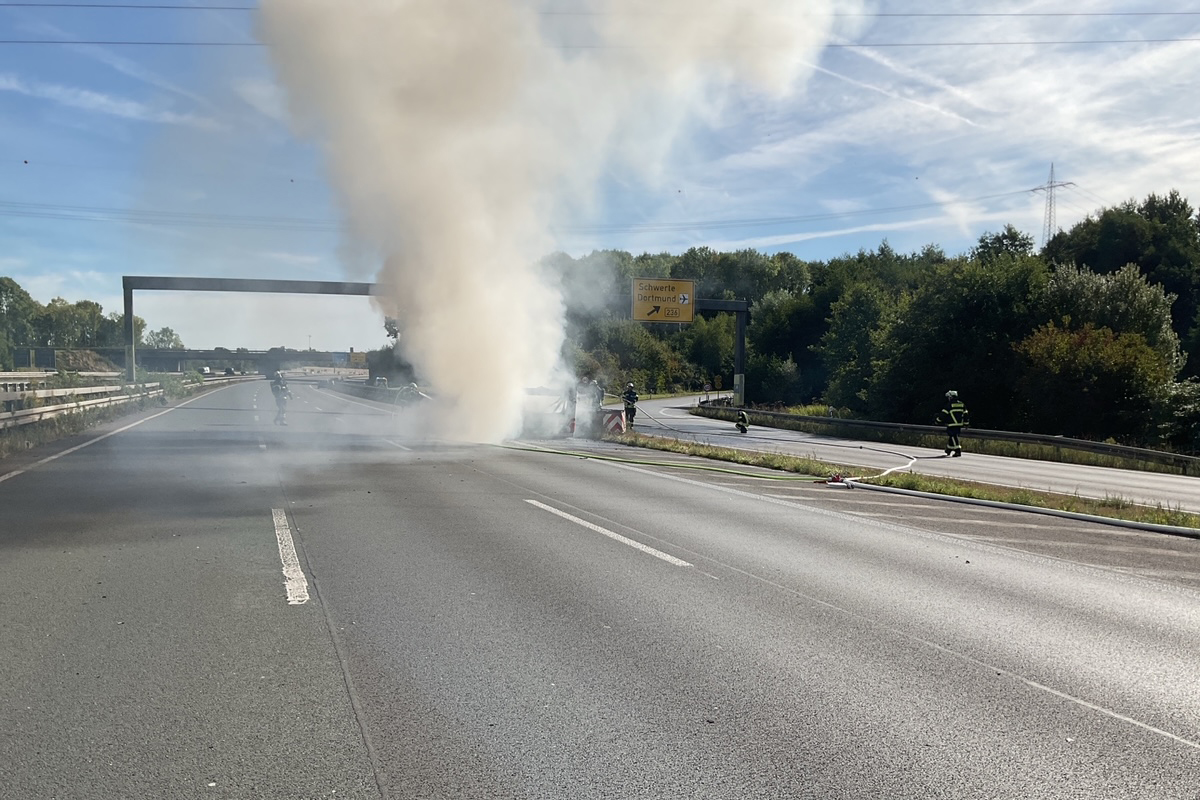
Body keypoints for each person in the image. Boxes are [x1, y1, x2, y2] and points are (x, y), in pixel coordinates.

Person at [936, 390, 969, 456]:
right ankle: (949, 449)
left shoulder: (949, 405)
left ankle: (958, 451)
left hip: (951, 424)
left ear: (951, 397)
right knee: (953, 436)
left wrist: (937, 421)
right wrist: (966, 423)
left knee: (953, 436)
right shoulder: (961, 404)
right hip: (959, 424)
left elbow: (943, 415)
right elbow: (965, 414)